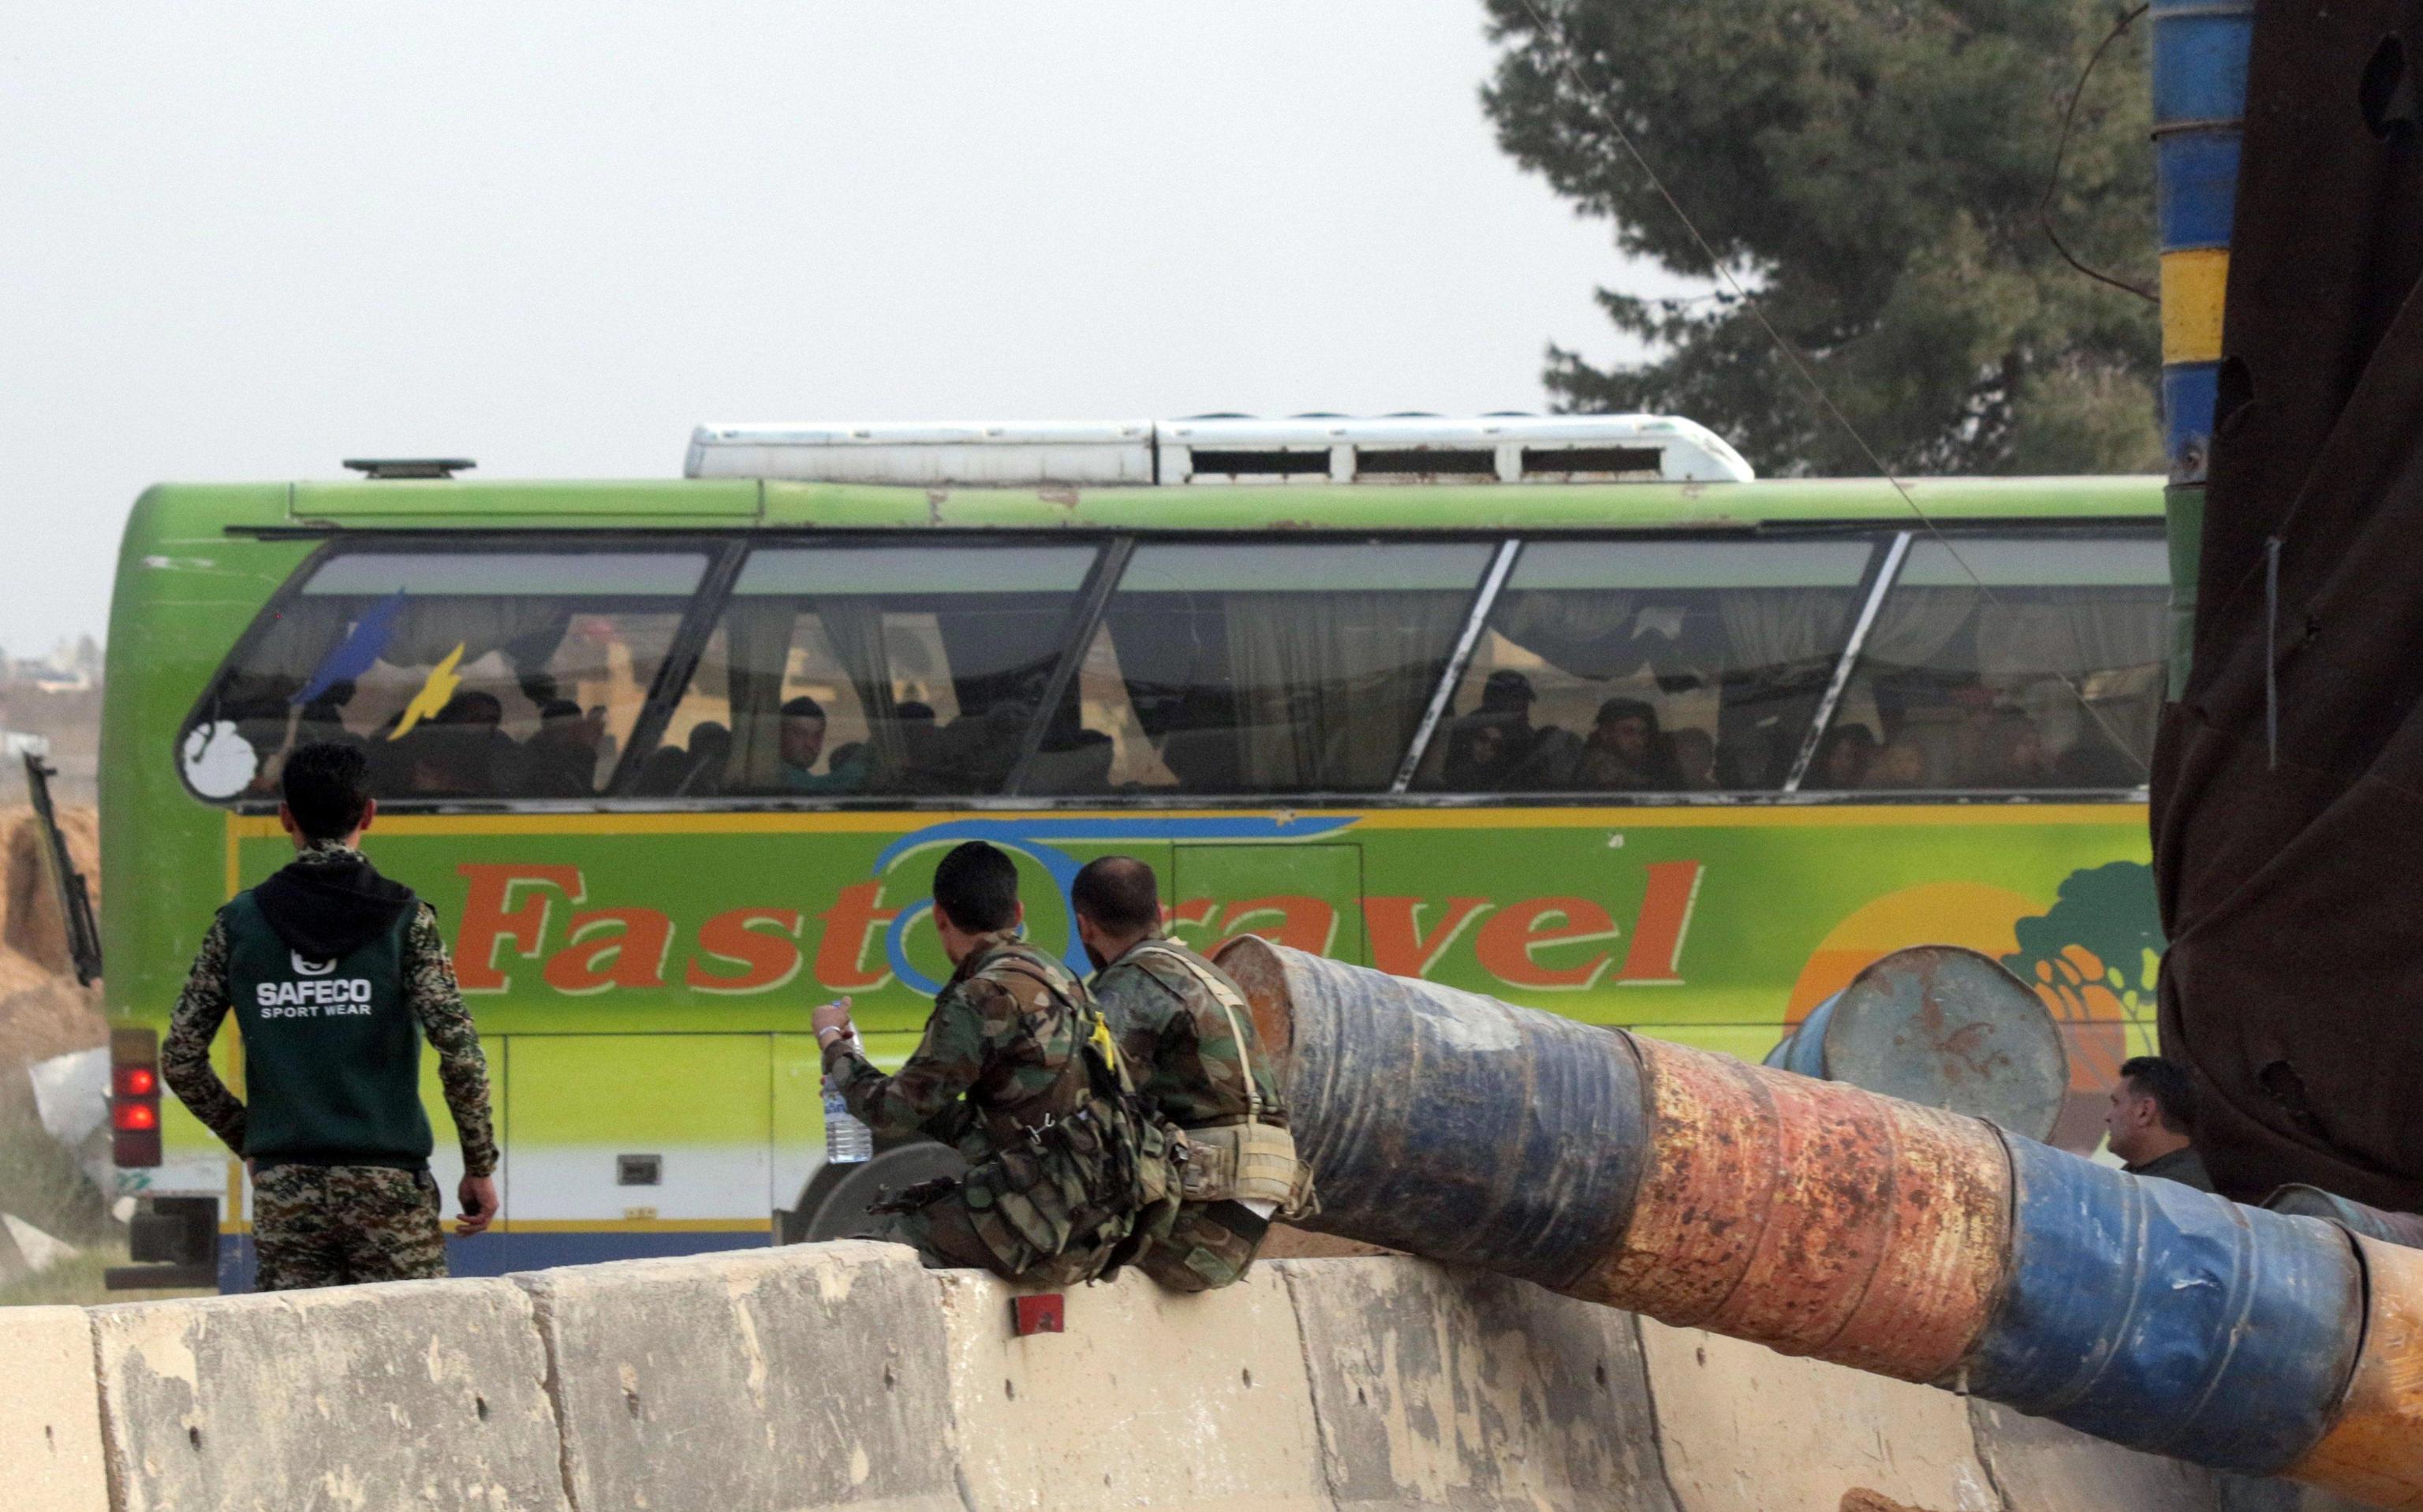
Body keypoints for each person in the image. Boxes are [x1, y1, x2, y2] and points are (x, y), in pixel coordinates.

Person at [161, 742, 499, 1290]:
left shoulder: (240, 924)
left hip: (285, 1191)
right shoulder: (405, 920)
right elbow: (459, 1051)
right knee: (412, 1349)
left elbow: (180, 1059)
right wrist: (479, 1163)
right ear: (368, 812)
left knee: (296, 1357)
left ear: (285, 816)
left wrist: (252, 1137)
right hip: (389, 1186)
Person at [811, 842, 1174, 1283]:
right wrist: (870, 1086)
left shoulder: (981, 996)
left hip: (1045, 1228)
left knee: (875, 1252)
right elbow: (983, 1120)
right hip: (1100, 1222)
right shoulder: (1059, 977)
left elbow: (890, 1114)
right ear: (1018, 912)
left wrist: (834, 1046)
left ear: (940, 918)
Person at [1071, 855, 1310, 1292]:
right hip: (1249, 1215)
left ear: (1085, 927)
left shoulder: (1126, 988)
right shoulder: (1210, 974)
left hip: (1197, 1235)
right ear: (1160, 912)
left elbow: (1083, 1100)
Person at [2104, 1055, 2216, 1193]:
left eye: (2116, 1103)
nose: (2107, 1117)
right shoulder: (2155, 1179)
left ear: (2144, 1111)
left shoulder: (2178, 1194)